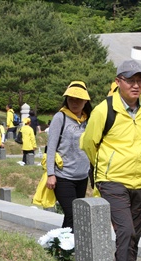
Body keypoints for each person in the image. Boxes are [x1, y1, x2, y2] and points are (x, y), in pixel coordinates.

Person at [81, 60, 141, 261]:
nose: (136, 85)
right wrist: (106, 165)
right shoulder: (104, 109)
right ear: (118, 82)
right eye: (130, 80)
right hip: (112, 179)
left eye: (140, 81)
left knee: (135, 234)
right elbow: (89, 143)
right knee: (125, 230)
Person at [46, 81, 92, 231]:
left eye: (78, 99)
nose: (74, 103)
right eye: (71, 99)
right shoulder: (60, 117)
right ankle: (68, 248)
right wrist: (50, 173)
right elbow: (51, 147)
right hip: (63, 176)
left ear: (86, 101)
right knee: (74, 215)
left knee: (71, 217)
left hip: (82, 177)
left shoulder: (89, 120)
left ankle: (62, 249)